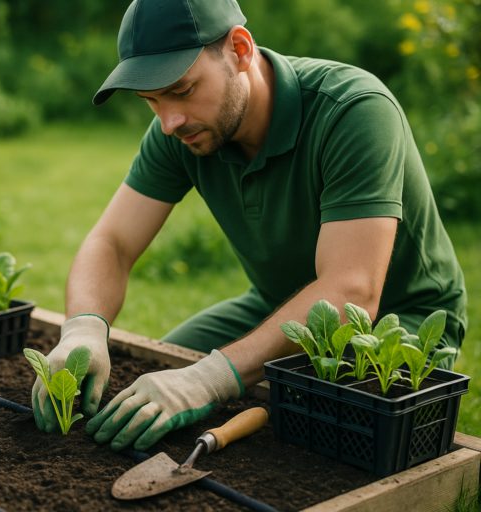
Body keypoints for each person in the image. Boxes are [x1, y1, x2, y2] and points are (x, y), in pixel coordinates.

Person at [31, 0, 467, 452]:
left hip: (398, 321)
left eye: (181, 90)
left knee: (313, 437)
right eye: (151, 101)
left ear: (239, 49)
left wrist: (211, 377)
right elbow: (112, 242)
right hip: (274, 304)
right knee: (144, 391)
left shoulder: (353, 110)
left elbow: (352, 290)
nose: (168, 121)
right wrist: (84, 328)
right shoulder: (182, 129)